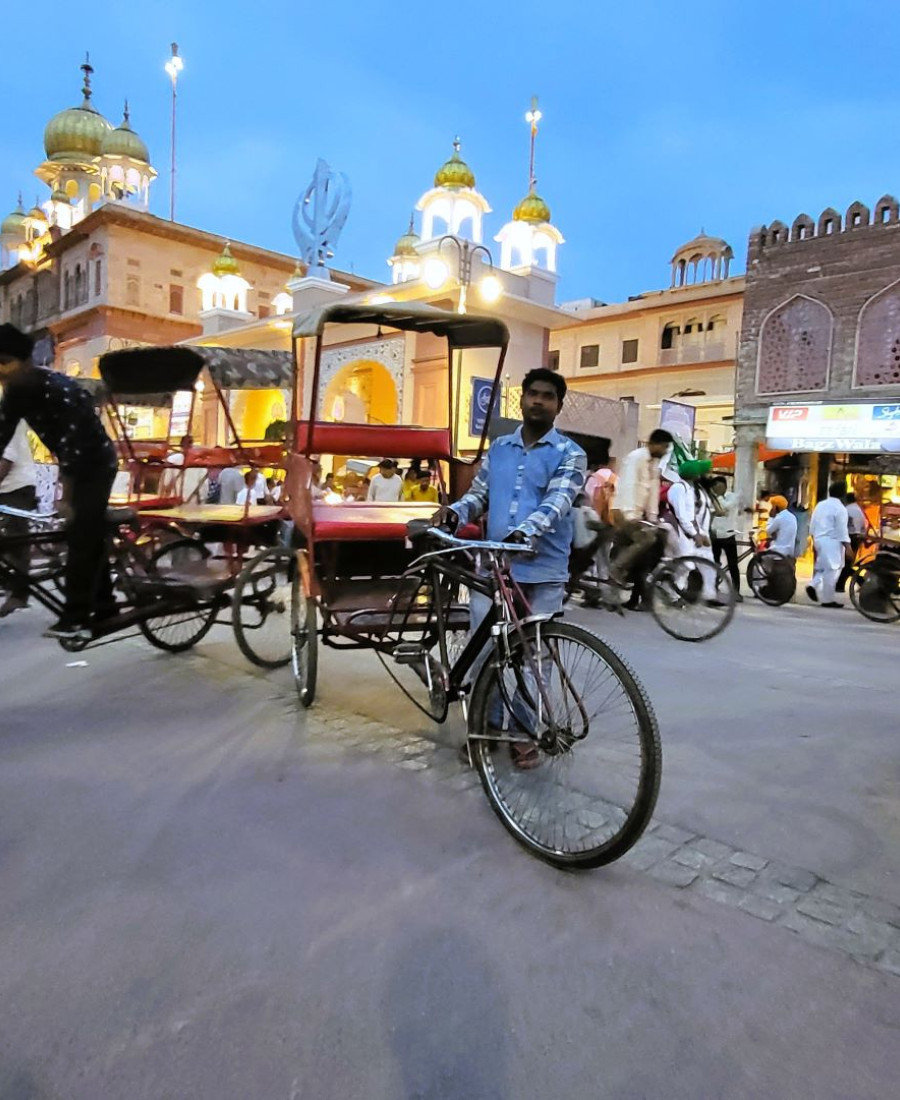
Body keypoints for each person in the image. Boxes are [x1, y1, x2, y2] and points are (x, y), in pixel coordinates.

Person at [440, 367, 586, 768]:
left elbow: (558, 503)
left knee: (533, 656)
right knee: (484, 650)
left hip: (544, 571)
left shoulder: (571, 454)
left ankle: (525, 734)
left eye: (547, 396)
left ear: (558, 405)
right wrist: (452, 515)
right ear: (521, 399)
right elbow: (479, 493)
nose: (538, 401)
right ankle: (483, 730)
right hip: (494, 567)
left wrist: (525, 532)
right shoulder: (500, 448)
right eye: (532, 394)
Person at [0, 323, 118, 639]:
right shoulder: (15, 393)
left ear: (24, 361)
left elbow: (73, 450)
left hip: (96, 464)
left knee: (79, 534)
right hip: (72, 460)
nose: (1, 372)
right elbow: (1, 435)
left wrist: (65, 498)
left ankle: (76, 618)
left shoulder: (58, 390)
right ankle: (106, 606)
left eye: (4, 363)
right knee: (90, 537)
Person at [608, 429, 673, 604]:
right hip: (624, 511)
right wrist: (629, 514)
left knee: (639, 548)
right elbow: (628, 485)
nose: (665, 451)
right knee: (646, 540)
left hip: (638, 514)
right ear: (654, 444)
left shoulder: (653, 464)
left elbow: (653, 491)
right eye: (664, 447)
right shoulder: (636, 458)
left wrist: (653, 517)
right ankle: (616, 570)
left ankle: (615, 592)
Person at [0, 420, 39, 616]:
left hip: (16, 487)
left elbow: (6, 462)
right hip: (6, 488)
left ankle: (19, 594)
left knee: (17, 540)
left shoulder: (9, 423)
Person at [807, 482, 851, 608]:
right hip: (832, 541)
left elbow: (813, 523)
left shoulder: (820, 505)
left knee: (822, 568)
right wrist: (848, 547)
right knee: (832, 570)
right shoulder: (840, 509)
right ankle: (828, 600)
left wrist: (813, 539)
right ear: (843, 494)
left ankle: (813, 585)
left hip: (819, 539)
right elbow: (842, 530)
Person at [709, 475, 743, 601]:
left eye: (719, 486)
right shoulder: (711, 498)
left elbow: (725, 507)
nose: (717, 489)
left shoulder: (731, 497)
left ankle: (736, 591)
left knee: (733, 564)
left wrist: (716, 499)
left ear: (724, 486)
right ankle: (712, 588)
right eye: (715, 487)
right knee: (714, 563)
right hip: (715, 535)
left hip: (729, 535)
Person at [837, 492, 869, 594]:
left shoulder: (847, 510)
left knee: (846, 564)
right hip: (857, 537)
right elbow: (864, 526)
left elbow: (844, 526)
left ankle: (860, 581)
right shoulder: (859, 511)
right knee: (847, 563)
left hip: (849, 538)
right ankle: (840, 585)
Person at [766, 495, 798, 559]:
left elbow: (768, 531)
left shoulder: (779, 518)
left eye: (773, 506)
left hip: (778, 550)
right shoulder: (792, 517)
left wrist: (771, 517)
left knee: (759, 555)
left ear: (776, 507)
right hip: (790, 550)